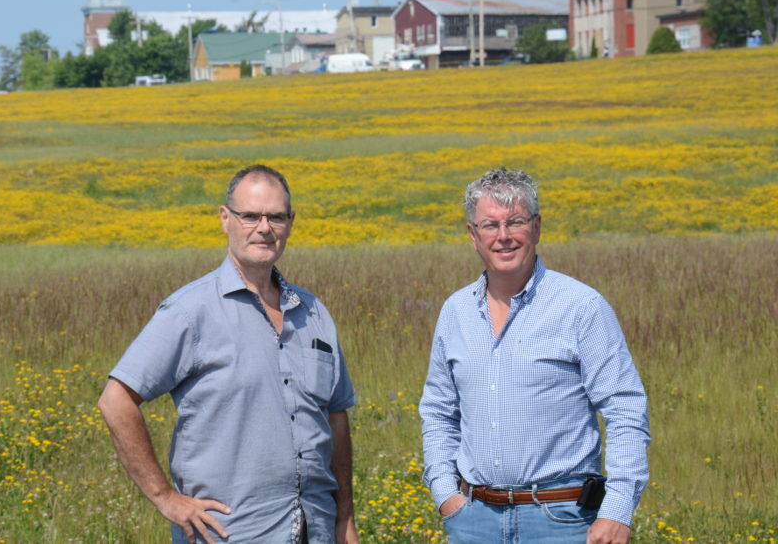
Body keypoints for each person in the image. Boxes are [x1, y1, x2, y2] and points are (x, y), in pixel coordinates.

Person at [98, 165, 359, 543]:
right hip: (231, 533)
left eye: (277, 217)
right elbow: (115, 400)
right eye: (250, 216)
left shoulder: (313, 312)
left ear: (291, 222)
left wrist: (344, 519)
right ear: (225, 219)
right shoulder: (191, 311)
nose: (264, 228)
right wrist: (166, 498)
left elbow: (335, 417)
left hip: (313, 529)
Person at [419, 168, 650, 544]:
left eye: (516, 222)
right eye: (489, 225)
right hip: (473, 520)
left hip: (563, 519)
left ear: (537, 228)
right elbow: (438, 412)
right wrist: (446, 495)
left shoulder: (581, 307)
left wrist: (618, 509)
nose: (503, 236)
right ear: (472, 236)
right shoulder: (455, 311)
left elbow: (625, 409)